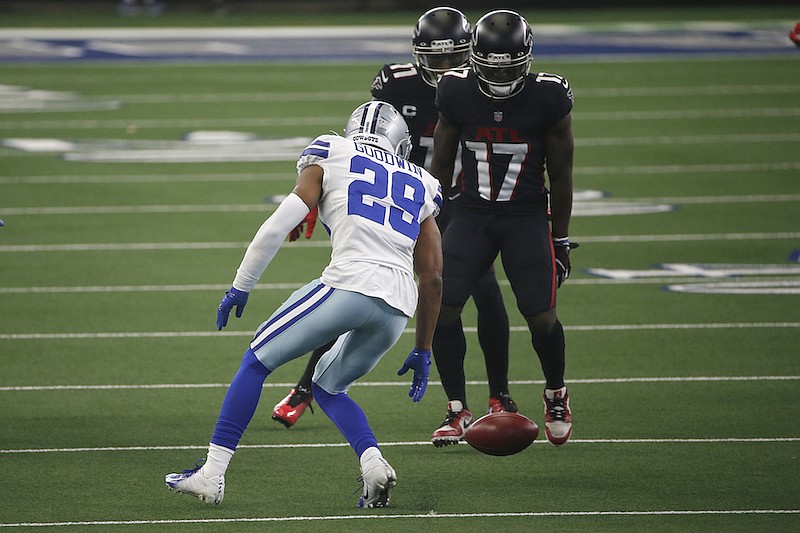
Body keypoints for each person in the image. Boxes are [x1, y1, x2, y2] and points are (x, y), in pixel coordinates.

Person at [165, 101, 443, 508]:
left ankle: (212, 474)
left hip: (349, 283)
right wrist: (423, 348)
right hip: (399, 303)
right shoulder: (423, 181)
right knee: (329, 388)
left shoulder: (332, 150)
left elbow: (279, 223)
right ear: (400, 145)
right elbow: (433, 276)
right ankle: (373, 464)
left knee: (256, 362)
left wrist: (241, 286)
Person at [272, 6, 515, 434]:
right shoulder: (396, 83)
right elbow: (365, 145)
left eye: (452, 59)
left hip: (461, 201)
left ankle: (498, 396)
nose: (443, 68)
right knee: (349, 286)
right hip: (401, 202)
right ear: (418, 55)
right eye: (434, 58)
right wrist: (314, 200)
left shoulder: (483, 88)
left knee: (483, 289)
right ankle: (306, 387)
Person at [428, 10, 576, 447]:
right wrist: (431, 221)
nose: (501, 73)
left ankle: (556, 392)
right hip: (471, 213)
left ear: (526, 59)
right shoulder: (455, 89)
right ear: (475, 59)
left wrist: (561, 238)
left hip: (526, 215)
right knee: (442, 305)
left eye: (510, 65)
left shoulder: (548, 97)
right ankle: (456, 408)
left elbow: (562, 174)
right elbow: (440, 160)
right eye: (492, 65)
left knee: (541, 314)